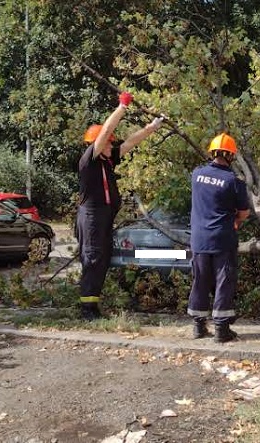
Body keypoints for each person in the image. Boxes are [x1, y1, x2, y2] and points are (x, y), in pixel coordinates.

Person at [77, 91, 164, 320]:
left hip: (103, 217)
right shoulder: (90, 160)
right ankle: (87, 309)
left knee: (102, 259)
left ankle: (93, 305)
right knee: (93, 258)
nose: (112, 144)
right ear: (99, 144)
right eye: (108, 142)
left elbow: (131, 142)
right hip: (92, 217)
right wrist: (122, 107)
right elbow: (105, 131)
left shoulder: (107, 160)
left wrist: (152, 127)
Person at [187, 133, 250, 342]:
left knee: (200, 281)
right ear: (231, 156)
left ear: (212, 152)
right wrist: (236, 222)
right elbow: (243, 213)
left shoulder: (197, 174)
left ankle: (198, 327)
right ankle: (221, 330)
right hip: (222, 239)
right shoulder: (234, 181)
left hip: (198, 239)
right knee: (224, 281)